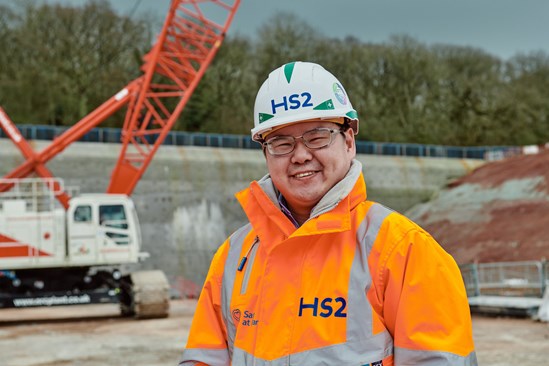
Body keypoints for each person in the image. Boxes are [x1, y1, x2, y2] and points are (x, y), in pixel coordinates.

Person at [179, 61, 477, 365]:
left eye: (317, 136)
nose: (300, 155)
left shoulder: (404, 251)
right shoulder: (232, 258)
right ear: (266, 153)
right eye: (281, 143)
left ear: (348, 141)